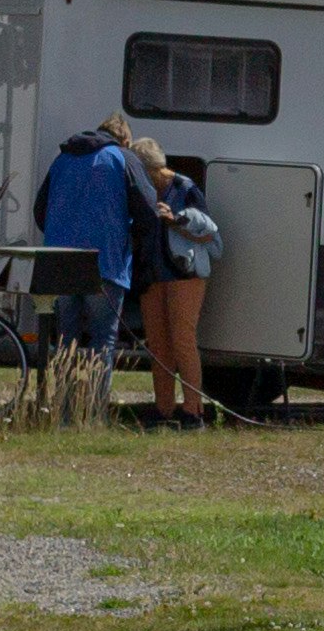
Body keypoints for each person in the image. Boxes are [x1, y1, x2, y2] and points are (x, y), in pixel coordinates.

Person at [33, 117, 148, 367]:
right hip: (104, 262)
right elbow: (148, 211)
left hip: (61, 261)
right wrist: (131, 241)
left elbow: (39, 212)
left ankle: (64, 404)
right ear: (125, 140)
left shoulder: (62, 159)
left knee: (67, 338)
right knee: (102, 340)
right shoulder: (123, 158)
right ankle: (93, 406)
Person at [125, 135, 220, 427]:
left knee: (182, 341)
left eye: (142, 173)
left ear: (154, 169)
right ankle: (163, 408)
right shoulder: (142, 190)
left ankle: (194, 410)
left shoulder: (185, 188)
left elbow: (209, 235)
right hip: (152, 276)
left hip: (184, 275)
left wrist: (174, 219)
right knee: (158, 345)